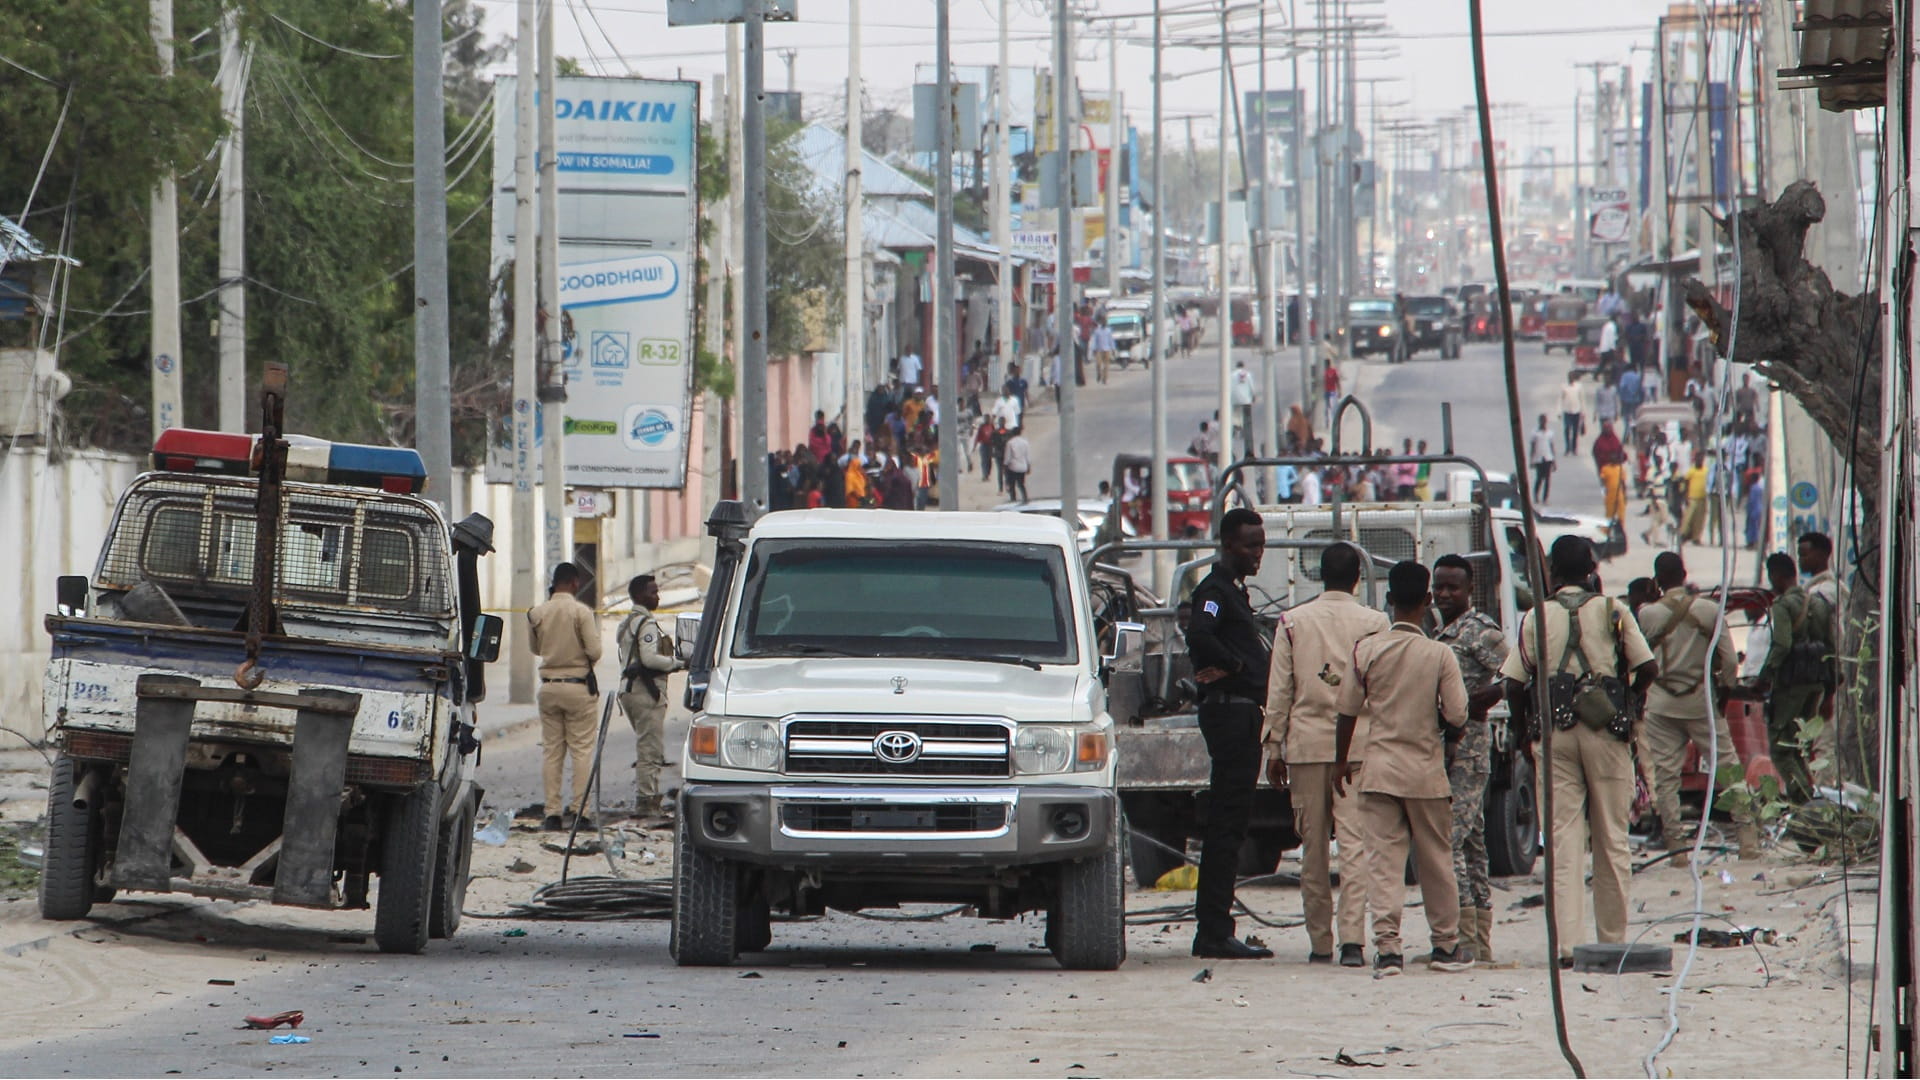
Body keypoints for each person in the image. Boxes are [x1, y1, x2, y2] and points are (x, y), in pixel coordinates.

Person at [1499, 536, 1656, 967]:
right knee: (1611, 838)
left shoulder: (1536, 616)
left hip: (1555, 735)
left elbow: (1514, 682)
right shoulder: (1612, 610)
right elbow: (1647, 668)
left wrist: (1522, 733)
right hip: (1607, 731)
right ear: (1591, 568)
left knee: (1563, 840)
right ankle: (1611, 940)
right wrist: (1631, 703)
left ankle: (1566, 947)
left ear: (1550, 570)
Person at [1333, 560, 1475, 975]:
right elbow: (1458, 714)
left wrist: (1340, 761)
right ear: (1428, 600)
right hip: (1426, 773)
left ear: (1389, 600)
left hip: (1378, 770)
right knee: (1436, 860)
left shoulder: (1366, 650)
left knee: (1383, 863)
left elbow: (1346, 712)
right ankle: (1446, 947)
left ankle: (1389, 950)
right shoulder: (1439, 654)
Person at [1262, 542, 1390, 966]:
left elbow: (1279, 690)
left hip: (1306, 747)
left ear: (1320, 575)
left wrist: (1272, 746)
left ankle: (1320, 942)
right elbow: (1383, 686)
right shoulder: (1376, 622)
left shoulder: (1293, 622)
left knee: (1312, 847)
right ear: (1357, 578)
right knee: (1355, 846)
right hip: (1358, 746)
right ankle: (1352, 941)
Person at [1186, 507, 1276, 960]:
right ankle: (1214, 931)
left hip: (1243, 714)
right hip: (1231, 715)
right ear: (1226, 545)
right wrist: (1237, 666)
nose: (1257, 553)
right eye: (1249, 545)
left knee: (1232, 825)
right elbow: (1199, 631)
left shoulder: (1234, 593)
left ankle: (1216, 926)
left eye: (1261, 544)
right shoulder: (1215, 591)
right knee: (1226, 826)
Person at [1430, 553, 1510, 966]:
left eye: (1452, 588)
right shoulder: (1440, 631)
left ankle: (1461, 937)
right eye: (1439, 586)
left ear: (1469, 590)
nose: (1444, 594)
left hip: (1469, 750)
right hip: (1449, 747)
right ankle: (1479, 941)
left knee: (1449, 838)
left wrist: (1483, 699)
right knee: (1473, 841)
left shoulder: (1478, 631)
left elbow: (1517, 670)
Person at [1636, 552, 1739, 851]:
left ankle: (1675, 844)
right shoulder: (1709, 610)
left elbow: (1640, 660)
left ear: (1657, 580)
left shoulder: (1648, 614)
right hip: (1701, 702)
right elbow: (1729, 662)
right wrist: (1724, 695)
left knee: (1666, 777)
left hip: (1660, 705)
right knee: (1728, 767)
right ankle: (1749, 839)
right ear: (1684, 573)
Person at [1761, 532, 1838, 802]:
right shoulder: (1817, 602)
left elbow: (1781, 645)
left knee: (1783, 749)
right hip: (1815, 686)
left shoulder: (1784, 605)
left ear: (1775, 577)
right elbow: (1830, 649)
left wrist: (1764, 677)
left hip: (1790, 687)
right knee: (1803, 747)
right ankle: (1812, 802)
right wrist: (1830, 689)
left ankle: (1803, 801)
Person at [528, 562, 604, 831]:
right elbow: (595, 652)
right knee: (581, 750)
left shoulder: (537, 613)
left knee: (552, 752)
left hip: (548, 687)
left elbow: (535, 648)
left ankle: (552, 814)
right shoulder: (581, 612)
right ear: (574, 583)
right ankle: (580, 812)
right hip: (577, 687)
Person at [616, 574, 681, 820]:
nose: (658, 596)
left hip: (630, 691)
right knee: (650, 750)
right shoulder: (646, 624)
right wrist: (676, 663)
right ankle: (646, 803)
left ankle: (648, 798)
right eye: (653, 592)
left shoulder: (628, 622)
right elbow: (650, 659)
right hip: (644, 691)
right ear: (641, 595)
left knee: (647, 746)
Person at [1592, 420, 1628, 526]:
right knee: (1609, 512)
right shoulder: (1599, 441)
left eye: (1609, 427)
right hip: (1606, 471)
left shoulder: (1615, 439)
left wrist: (1618, 459)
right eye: (1605, 428)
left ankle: (1621, 528)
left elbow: (1621, 453)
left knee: (1621, 512)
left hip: (1617, 470)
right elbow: (1596, 453)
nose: (1607, 429)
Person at [1680, 452, 1709, 545]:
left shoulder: (1706, 470)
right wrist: (1685, 497)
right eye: (1698, 459)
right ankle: (1682, 535)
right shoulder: (1691, 471)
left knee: (1699, 519)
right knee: (1688, 518)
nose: (1700, 461)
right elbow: (1686, 482)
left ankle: (1696, 538)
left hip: (1702, 498)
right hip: (1692, 497)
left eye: (1701, 459)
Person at [1528, 413, 1557, 501]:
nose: (1543, 423)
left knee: (1548, 480)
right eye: (1542, 421)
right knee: (1539, 478)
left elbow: (1552, 446)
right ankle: (1536, 495)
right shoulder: (1535, 433)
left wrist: (1554, 461)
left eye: (1544, 421)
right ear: (1539, 421)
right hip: (1538, 459)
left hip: (1548, 458)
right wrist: (1531, 460)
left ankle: (1545, 498)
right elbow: (1532, 447)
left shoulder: (1550, 433)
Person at [1001, 426, 1032, 502]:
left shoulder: (1010, 443)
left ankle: (1013, 499)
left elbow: (1008, 457)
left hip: (1013, 467)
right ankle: (1025, 498)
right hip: (1023, 466)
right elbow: (1027, 456)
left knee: (1012, 484)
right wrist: (1028, 466)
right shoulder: (1025, 442)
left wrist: (1004, 466)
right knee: (1021, 483)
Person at [1230, 361, 1256, 450]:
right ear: (1243, 366)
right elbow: (1251, 386)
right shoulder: (1247, 375)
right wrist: (1253, 396)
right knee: (1245, 415)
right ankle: (1244, 430)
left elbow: (1229, 387)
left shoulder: (1232, 375)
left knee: (1236, 415)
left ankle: (1237, 426)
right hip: (1246, 399)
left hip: (1235, 398)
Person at [1559, 372, 1584, 455]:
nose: (1570, 379)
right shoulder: (1564, 387)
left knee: (1575, 431)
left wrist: (1583, 412)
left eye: (1572, 377)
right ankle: (1567, 447)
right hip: (1567, 411)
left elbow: (1582, 400)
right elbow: (1560, 399)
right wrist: (1559, 411)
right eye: (1569, 377)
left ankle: (1574, 448)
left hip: (1576, 411)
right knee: (1567, 429)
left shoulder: (1578, 387)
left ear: (1574, 378)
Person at [1617, 363, 1644, 431]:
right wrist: (1641, 399)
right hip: (1636, 400)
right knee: (1635, 417)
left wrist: (1622, 397)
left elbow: (1622, 387)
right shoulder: (1637, 376)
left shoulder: (1624, 376)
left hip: (1626, 400)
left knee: (1626, 417)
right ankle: (1634, 431)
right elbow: (1642, 389)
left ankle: (1627, 430)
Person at [1091, 316, 1116, 385]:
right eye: (1103, 321)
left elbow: (1111, 340)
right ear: (1101, 322)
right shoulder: (1097, 331)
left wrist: (1113, 349)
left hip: (1107, 349)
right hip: (1099, 350)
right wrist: (1093, 349)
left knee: (1106, 365)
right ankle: (1099, 374)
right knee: (1098, 364)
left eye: (1105, 322)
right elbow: (1094, 341)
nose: (1104, 323)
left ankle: (1105, 379)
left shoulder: (1108, 331)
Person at [1322, 350, 1342, 428]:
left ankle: (1335, 422)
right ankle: (1327, 423)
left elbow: (1337, 381)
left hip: (1332, 391)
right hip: (1326, 392)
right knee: (1326, 408)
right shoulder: (1322, 372)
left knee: (1333, 407)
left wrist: (1339, 390)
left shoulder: (1333, 371)